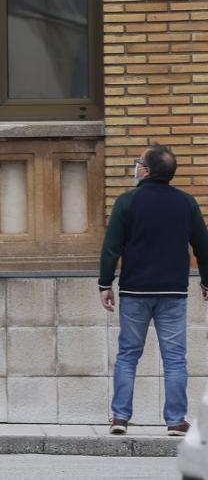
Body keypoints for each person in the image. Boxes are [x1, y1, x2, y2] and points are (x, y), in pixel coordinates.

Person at [99, 144, 208, 436]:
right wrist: (206, 281)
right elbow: (202, 245)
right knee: (174, 358)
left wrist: (105, 283)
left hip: (135, 291)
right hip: (173, 292)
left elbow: (112, 246)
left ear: (145, 170)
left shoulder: (127, 202)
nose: (135, 167)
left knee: (127, 354)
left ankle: (120, 418)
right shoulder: (187, 203)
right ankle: (176, 421)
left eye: (138, 163)